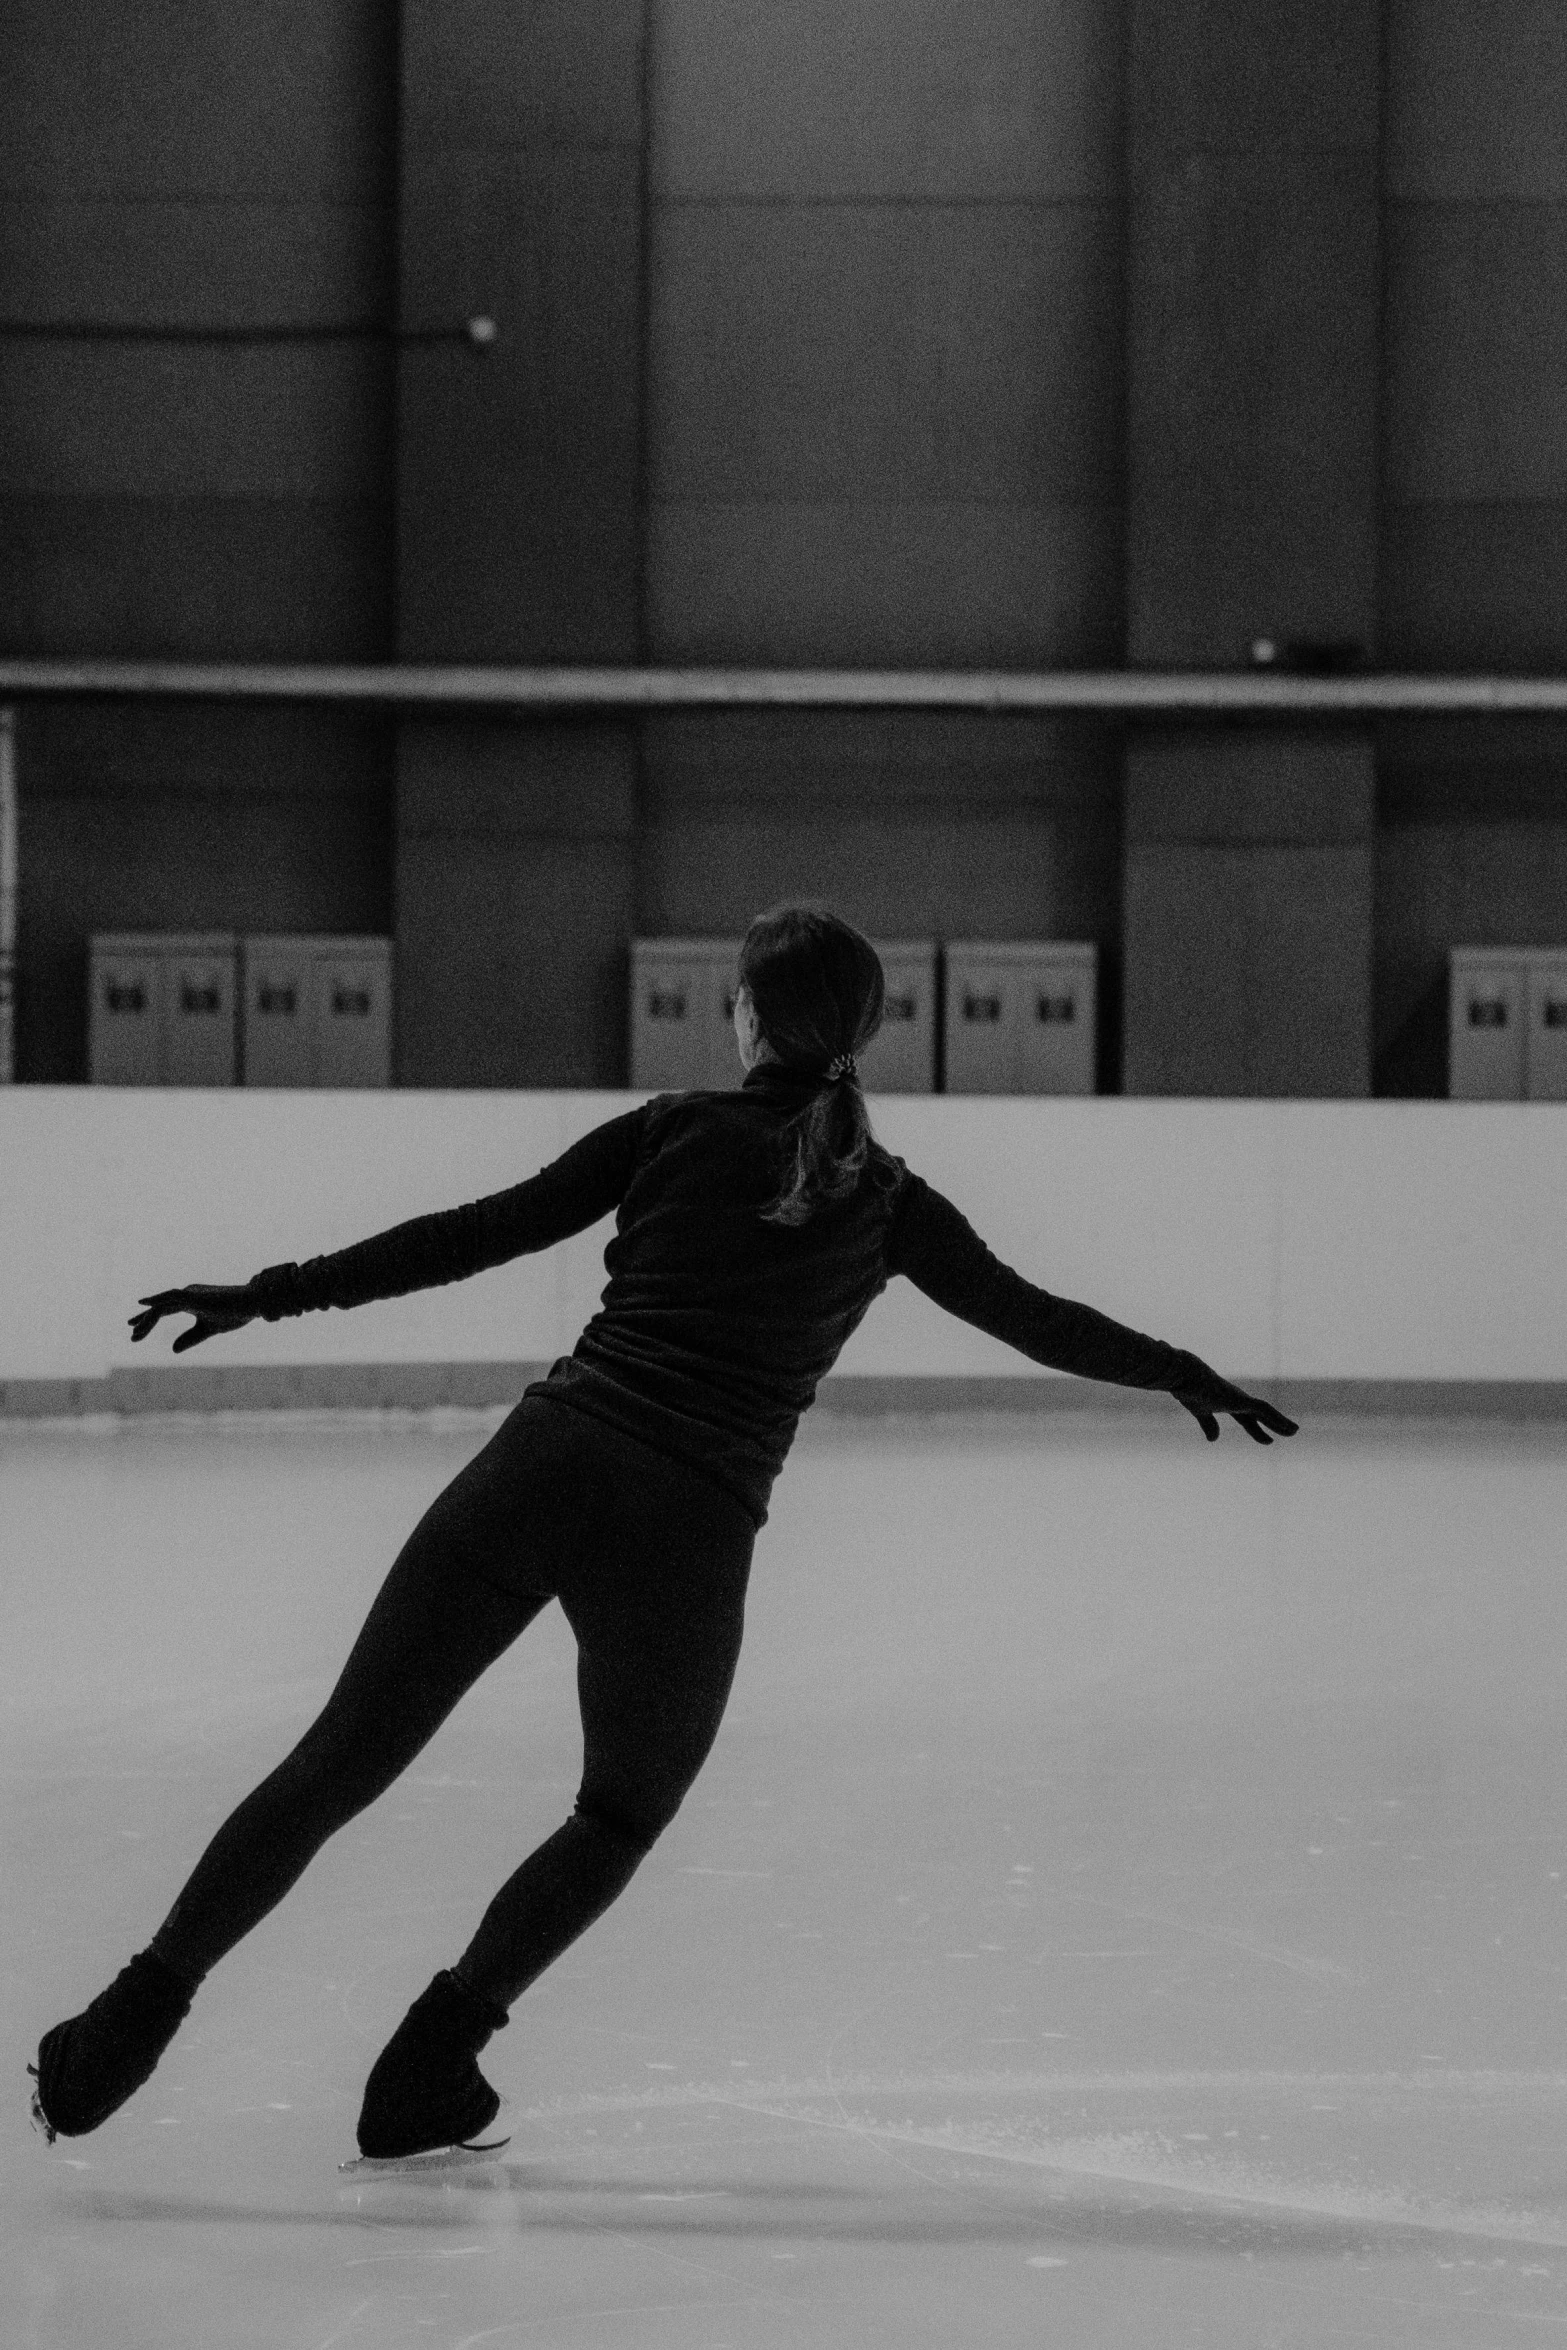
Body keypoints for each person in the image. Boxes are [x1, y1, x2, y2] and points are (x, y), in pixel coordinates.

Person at [28, 902, 1297, 2161]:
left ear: (746, 1014)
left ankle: (119, 2033)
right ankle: (431, 2059)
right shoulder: (891, 1200)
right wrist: (1179, 1368)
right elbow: (1036, 1317)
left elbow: (474, 1234)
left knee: (336, 1766)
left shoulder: (671, 1128)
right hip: (688, 1532)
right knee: (618, 1815)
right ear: (865, 1034)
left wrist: (271, 1294)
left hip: (547, 1460)